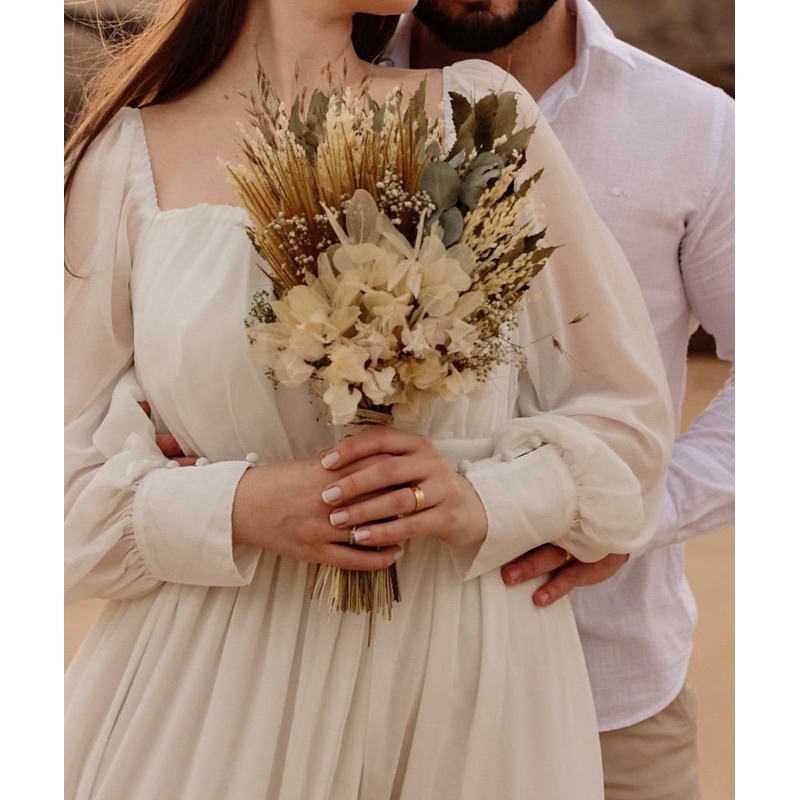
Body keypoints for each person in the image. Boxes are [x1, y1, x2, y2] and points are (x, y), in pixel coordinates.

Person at [64, 1, 673, 797]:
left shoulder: (478, 118)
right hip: (216, 698)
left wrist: (484, 499)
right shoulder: (121, 158)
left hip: (463, 687)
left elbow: (627, 423)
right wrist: (236, 507)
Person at [381, 1, 735, 797]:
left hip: (607, 703)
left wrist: (634, 513)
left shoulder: (698, 128)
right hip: (362, 699)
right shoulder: (318, 91)